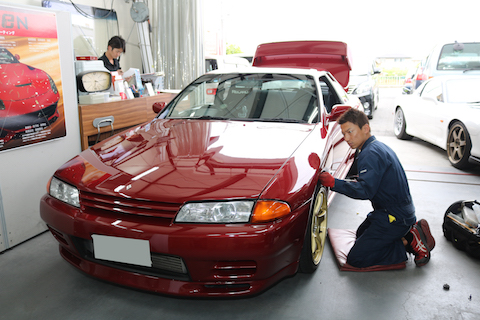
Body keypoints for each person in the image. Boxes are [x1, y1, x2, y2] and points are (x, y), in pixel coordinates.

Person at [319, 108, 435, 268]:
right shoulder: (376, 146)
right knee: (360, 235)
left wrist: (334, 183)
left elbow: (365, 190)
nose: (346, 138)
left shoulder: (370, 154)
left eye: (350, 132)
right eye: (344, 133)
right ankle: (407, 232)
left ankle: (408, 242)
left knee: (357, 258)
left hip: (395, 217)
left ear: (365, 128)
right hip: (391, 212)